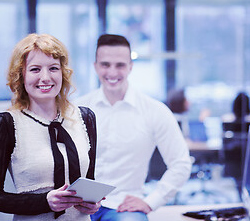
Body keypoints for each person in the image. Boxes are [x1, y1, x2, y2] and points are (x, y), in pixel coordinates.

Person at [0, 33, 101, 221]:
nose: (45, 77)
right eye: (35, 69)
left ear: (63, 72)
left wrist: (92, 203)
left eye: (53, 68)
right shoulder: (6, 123)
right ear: (21, 75)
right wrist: (44, 201)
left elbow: (88, 181)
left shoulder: (85, 118)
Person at [74, 34, 192, 221]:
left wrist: (151, 201)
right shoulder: (76, 109)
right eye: (105, 64)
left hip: (122, 207)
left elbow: (181, 163)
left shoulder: (154, 111)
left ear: (131, 66)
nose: (112, 72)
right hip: (77, 205)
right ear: (95, 66)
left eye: (120, 65)